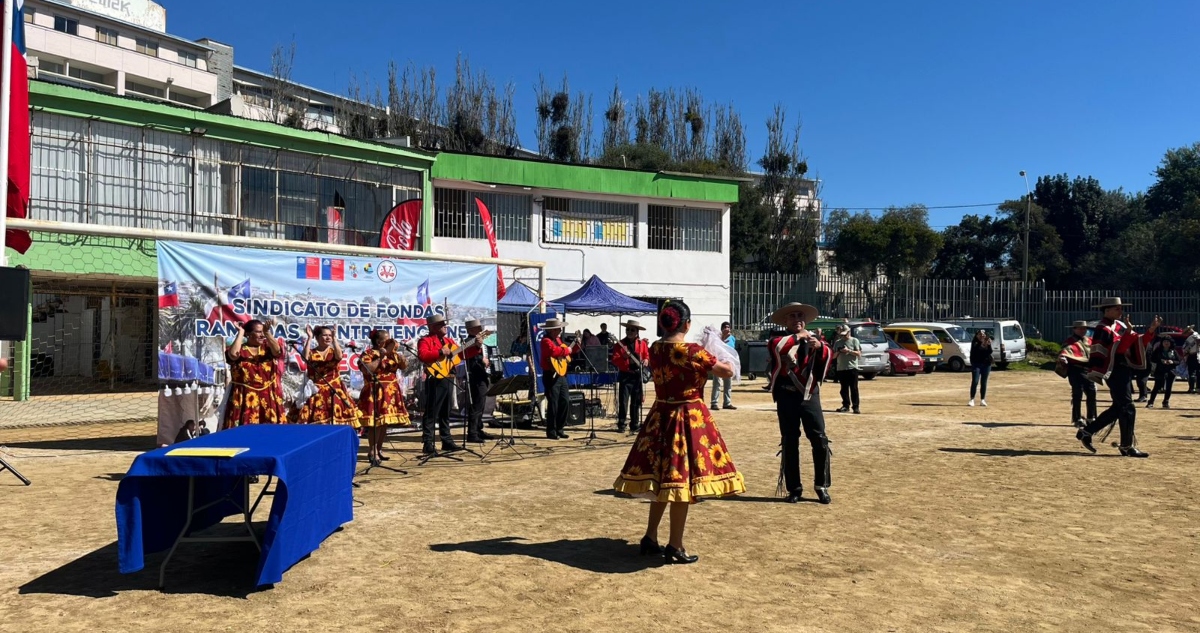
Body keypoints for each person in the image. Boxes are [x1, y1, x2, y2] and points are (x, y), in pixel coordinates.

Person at [613, 299, 745, 564]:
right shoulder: (693, 351)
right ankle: (675, 545)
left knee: (661, 481)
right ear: (686, 323)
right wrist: (715, 347)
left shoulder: (656, 347)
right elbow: (728, 371)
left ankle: (650, 537)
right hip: (687, 417)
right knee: (680, 482)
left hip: (660, 416)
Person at [767, 302, 834, 504]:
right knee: (789, 441)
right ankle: (794, 488)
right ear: (786, 321)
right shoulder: (778, 339)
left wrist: (820, 346)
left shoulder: (814, 339)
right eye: (793, 316)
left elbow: (828, 356)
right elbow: (778, 348)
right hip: (787, 395)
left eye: (800, 316)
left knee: (819, 439)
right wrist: (798, 337)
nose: (797, 319)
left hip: (809, 395)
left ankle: (821, 485)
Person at [1077, 298, 1159, 458]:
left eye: (1121, 309)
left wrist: (1150, 330)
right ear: (1106, 310)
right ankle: (1127, 446)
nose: (1121, 312)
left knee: (1119, 407)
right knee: (1128, 407)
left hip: (1123, 369)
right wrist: (1128, 333)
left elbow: (1137, 343)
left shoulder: (1118, 326)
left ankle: (1087, 432)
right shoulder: (1103, 328)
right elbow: (1117, 350)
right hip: (1113, 370)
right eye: (1117, 309)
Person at [358, 329, 412, 464]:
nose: (389, 341)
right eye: (386, 339)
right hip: (375, 390)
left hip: (391, 391)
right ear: (378, 341)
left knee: (384, 423)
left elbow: (403, 366)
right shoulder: (368, 354)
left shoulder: (393, 354)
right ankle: (372, 451)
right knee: (375, 423)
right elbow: (367, 369)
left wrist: (402, 358)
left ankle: (379, 449)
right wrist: (381, 357)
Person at [223, 319, 284, 429]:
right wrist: (241, 332)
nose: (262, 335)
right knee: (244, 432)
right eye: (258, 332)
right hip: (244, 397)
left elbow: (277, 351)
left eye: (262, 332)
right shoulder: (241, 349)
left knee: (270, 431)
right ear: (249, 334)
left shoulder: (267, 347)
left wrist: (267, 332)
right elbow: (232, 355)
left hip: (267, 396)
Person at [416, 315, 464, 455]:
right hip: (435, 378)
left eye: (445, 324)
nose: (445, 326)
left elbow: (460, 356)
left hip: (449, 377)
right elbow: (423, 355)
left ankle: (446, 440)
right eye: (441, 324)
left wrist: (476, 345)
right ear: (432, 327)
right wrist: (439, 352)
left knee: (445, 411)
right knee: (432, 412)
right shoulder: (425, 340)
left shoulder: (449, 341)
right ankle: (428, 443)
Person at [297, 325, 361, 427]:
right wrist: (309, 338)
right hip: (316, 390)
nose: (328, 338)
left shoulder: (333, 351)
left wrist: (335, 338)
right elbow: (304, 358)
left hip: (333, 389)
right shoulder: (312, 352)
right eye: (324, 335)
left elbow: (339, 357)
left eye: (330, 335)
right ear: (317, 338)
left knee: (337, 417)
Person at [611, 319, 651, 433]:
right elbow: (614, 360)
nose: (629, 331)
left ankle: (634, 423)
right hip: (625, 375)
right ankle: (622, 424)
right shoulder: (620, 344)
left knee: (636, 401)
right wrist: (623, 357)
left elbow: (646, 355)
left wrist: (646, 360)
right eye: (628, 329)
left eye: (632, 330)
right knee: (623, 401)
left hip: (637, 376)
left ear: (637, 332)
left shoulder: (642, 343)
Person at [462, 319, 496, 443]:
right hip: (475, 376)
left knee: (481, 405)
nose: (480, 329)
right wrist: (482, 359)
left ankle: (478, 429)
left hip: (482, 375)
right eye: (477, 328)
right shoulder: (468, 342)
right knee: (476, 405)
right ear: (471, 330)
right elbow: (471, 357)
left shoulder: (479, 341)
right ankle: (472, 433)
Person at [539, 318, 572, 440]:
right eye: (558, 328)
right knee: (553, 404)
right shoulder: (545, 341)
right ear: (552, 330)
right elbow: (554, 351)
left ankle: (560, 428)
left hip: (561, 375)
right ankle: (551, 431)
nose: (560, 330)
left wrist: (571, 349)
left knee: (565, 401)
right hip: (550, 375)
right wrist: (566, 350)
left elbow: (564, 352)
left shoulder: (557, 340)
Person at [1060, 320, 1097, 427]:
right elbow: (1064, 353)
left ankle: (1091, 417)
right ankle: (1077, 418)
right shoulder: (1069, 341)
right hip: (1075, 370)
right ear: (1074, 329)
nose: (1082, 330)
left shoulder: (1090, 341)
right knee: (1077, 394)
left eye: (1084, 328)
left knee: (1091, 393)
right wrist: (1063, 359)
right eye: (1080, 328)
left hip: (1088, 369)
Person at [832, 323, 861, 414]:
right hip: (841, 368)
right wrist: (839, 351)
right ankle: (845, 405)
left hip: (852, 367)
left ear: (849, 332)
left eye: (845, 334)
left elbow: (859, 354)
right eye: (842, 335)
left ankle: (855, 407)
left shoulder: (854, 341)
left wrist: (849, 351)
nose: (844, 336)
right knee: (843, 388)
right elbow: (833, 356)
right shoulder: (838, 342)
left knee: (854, 388)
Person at [1147, 331, 1180, 409]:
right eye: (1165, 341)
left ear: (1171, 343)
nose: (1166, 343)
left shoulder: (1173, 351)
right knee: (1156, 387)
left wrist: (1172, 362)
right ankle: (1151, 402)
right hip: (1160, 370)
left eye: (1168, 342)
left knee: (1169, 388)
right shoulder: (1158, 351)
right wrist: (1161, 361)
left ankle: (1166, 401)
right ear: (1162, 343)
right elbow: (1152, 359)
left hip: (1170, 371)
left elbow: (1178, 361)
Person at [709, 322, 738, 410]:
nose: (727, 329)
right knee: (717, 383)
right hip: (719, 362)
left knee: (728, 383)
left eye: (728, 327)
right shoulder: (718, 337)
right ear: (722, 329)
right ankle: (714, 403)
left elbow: (732, 350)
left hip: (728, 363)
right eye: (725, 327)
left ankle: (727, 403)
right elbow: (715, 348)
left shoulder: (732, 338)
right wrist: (723, 338)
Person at [968, 329, 993, 407]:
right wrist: (982, 342)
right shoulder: (975, 342)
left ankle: (982, 400)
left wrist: (988, 345)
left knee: (984, 382)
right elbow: (976, 350)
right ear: (977, 335)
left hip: (986, 364)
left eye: (983, 335)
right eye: (980, 335)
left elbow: (990, 352)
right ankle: (972, 399)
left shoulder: (987, 342)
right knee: (975, 381)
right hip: (976, 364)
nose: (982, 336)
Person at [1182, 326, 1199, 394]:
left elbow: (1185, 348)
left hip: (1192, 355)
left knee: (1192, 372)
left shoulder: (1190, 338)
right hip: (1198, 355)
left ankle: (1192, 388)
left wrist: (1185, 353)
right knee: (1198, 372)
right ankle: (1198, 388)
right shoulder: (1198, 335)